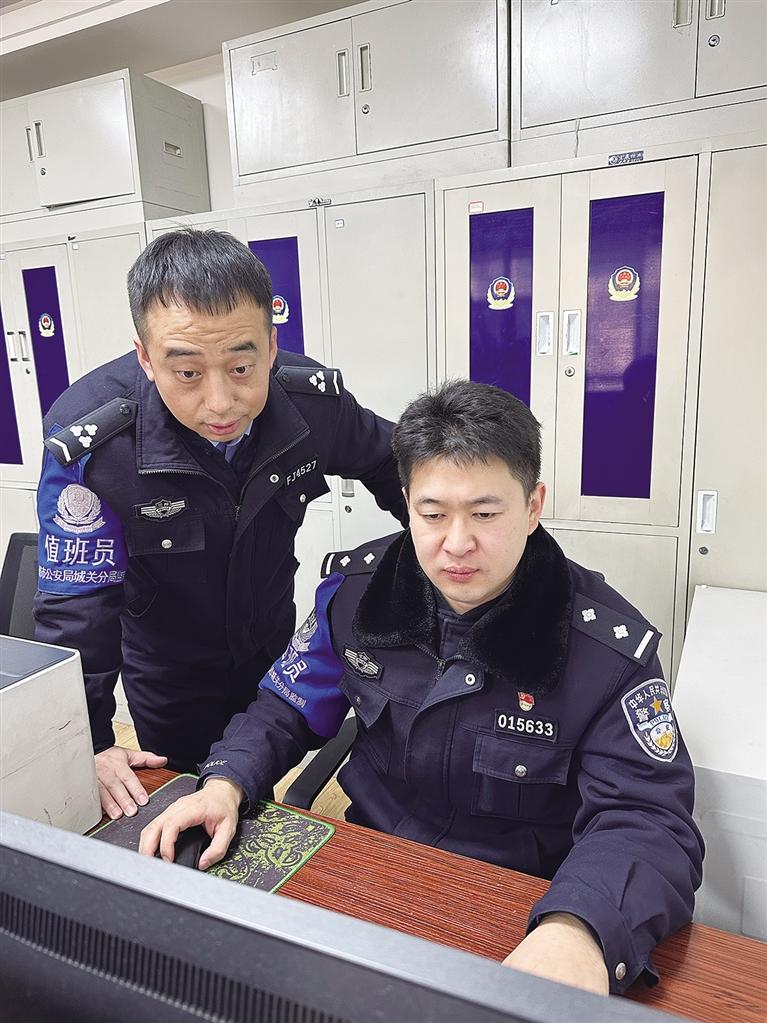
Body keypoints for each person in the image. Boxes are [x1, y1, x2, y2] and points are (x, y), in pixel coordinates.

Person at [138, 380, 704, 997]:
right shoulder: (357, 595)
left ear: (533, 504)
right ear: (406, 502)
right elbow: (283, 708)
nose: (456, 544)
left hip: (524, 908)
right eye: (433, 515)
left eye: (485, 514)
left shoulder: (607, 652)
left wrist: (581, 929)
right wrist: (225, 783)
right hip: (370, 873)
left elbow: (647, 818)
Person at [34, 228, 406, 821]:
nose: (220, 402)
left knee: (255, 794)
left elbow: (397, 466)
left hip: (270, 650)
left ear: (271, 344)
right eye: (187, 373)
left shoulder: (309, 405)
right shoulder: (96, 444)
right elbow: (77, 607)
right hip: (169, 672)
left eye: (241, 366)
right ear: (145, 358)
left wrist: (446, 557)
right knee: (187, 811)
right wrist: (91, 741)